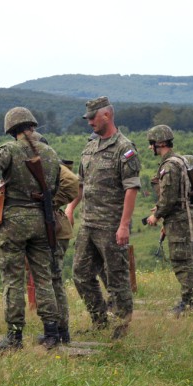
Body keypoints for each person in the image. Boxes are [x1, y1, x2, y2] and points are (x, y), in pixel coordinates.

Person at [0, 109, 63, 351]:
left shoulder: (10, 149)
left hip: (14, 222)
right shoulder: (50, 152)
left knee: (13, 279)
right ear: (32, 125)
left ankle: (14, 336)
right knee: (44, 278)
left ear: (12, 129)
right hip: (42, 220)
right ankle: (51, 333)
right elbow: (56, 186)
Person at [65, 96, 141, 339]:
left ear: (106, 115)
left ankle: (121, 327)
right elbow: (82, 184)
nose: (89, 122)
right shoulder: (90, 147)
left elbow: (131, 188)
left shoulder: (124, 148)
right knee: (81, 274)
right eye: (87, 118)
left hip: (111, 225)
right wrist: (71, 207)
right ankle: (99, 320)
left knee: (117, 278)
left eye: (92, 117)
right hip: (88, 224)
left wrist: (124, 225)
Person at [144, 125, 193, 314]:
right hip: (186, 217)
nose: (150, 147)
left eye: (151, 143)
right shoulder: (181, 161)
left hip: (179, 221)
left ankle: (188, 302)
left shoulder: (169, 166)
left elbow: (169, 198)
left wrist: (156, 215)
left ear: (160, 143)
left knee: (181, 260)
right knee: (191, 257)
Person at [32, 133, 80, 345]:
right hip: (49, 228)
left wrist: (51, 202)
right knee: (52, 279)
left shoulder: (52, 165)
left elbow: (72, 183)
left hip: (55, 229)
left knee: (53, 279)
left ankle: (60, 330)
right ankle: (60, 330)